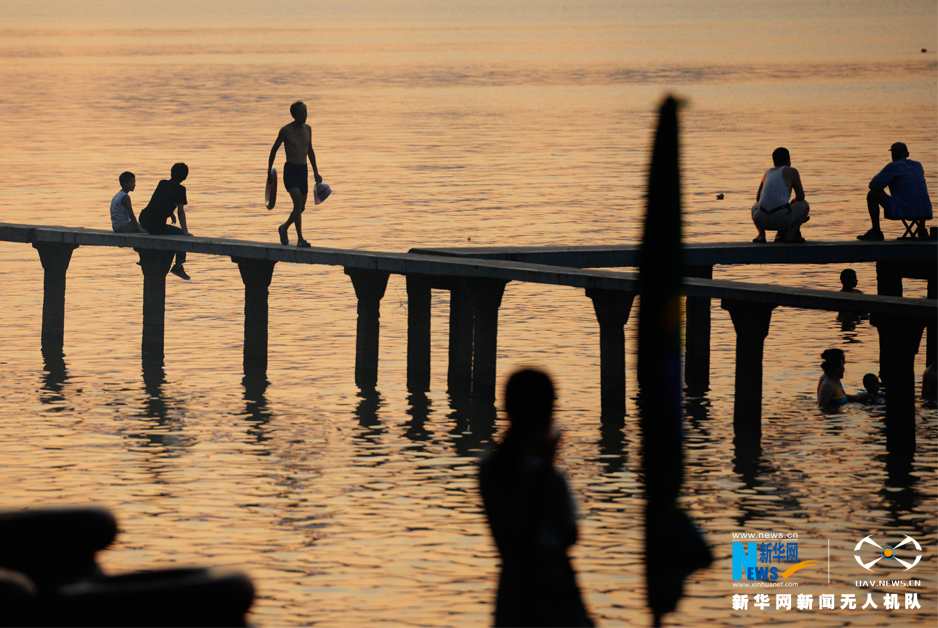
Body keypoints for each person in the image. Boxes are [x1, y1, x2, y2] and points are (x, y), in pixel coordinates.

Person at [478, 369, 593, 627]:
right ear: (548, 412)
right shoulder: (549, 478)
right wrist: (548, 464)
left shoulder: (488, 469)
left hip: (511, 592)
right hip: (550, 590)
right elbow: (569, 536)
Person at [268, 101, 323, 248]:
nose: (304, 115)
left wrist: (316, 172)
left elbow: (310, 151)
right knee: (297, 202)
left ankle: (284, 228)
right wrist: (269, 172)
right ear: (293, 115)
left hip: (303, 170)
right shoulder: (286, 130)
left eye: (306, 112)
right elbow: (273, 150)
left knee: (301, 207)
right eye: (301, 113)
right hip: (291, 170)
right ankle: (300, 239)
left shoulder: (308, 129)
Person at [857, 142, 933, 241]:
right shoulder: (918, 165)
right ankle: (922, 229)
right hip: (924, 211)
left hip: (904, 210)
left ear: (893, 155)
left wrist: (887, 182)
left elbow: (873, 185)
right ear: (907, 154)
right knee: (917, 195)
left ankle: (876, 231)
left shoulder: (893, 167)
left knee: (872, 194)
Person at [138, 163, 192, 280]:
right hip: (156, 226)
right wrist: (185, 232)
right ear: (185, 177)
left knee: (159, 233)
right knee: (181, 237)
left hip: (144, 219)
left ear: (171, 173)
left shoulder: (162, 183)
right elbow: (181, 212)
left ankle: (146, 258)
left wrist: (170, 213)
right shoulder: (181, 190)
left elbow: (159, 201)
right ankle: (178, 266)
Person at [750, 147, 810, 243]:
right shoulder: (792, 171)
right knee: (805, 205)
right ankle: (791, 234)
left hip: (760, 219)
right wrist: (792, 203)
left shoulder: (767, 173)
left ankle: (761, 235)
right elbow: (800, 197)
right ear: (788, 160)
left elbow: (758, 198)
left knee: (754, 206)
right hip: (780, 220)